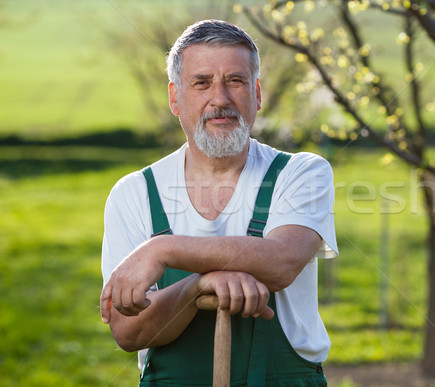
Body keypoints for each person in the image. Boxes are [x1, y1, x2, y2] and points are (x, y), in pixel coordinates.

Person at [100, 19, 338, 386]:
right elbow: (128, 333)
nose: (221, 99)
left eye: (236, 81)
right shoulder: (134, 193)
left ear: (257, 93)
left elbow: (281, 262)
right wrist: (199, 286)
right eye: (202, 82)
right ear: (175, 98)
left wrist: (162, 250)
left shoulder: (301, 172)